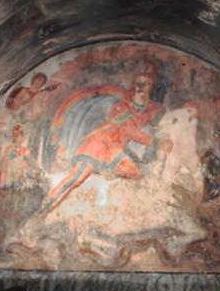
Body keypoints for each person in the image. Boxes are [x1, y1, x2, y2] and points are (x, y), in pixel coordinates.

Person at [37, 66, 165, 215]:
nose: (141, 87)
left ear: (152, 87)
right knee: (75, 179)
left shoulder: (145, 112)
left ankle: (128, 212)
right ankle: (45, 208)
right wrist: (157, 142)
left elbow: (132, 133)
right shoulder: (122, 106)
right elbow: (130, 131)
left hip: (114, 150)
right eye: (138, 83)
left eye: (146, 83)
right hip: (97, 147)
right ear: (133, 86)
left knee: (139, 173)